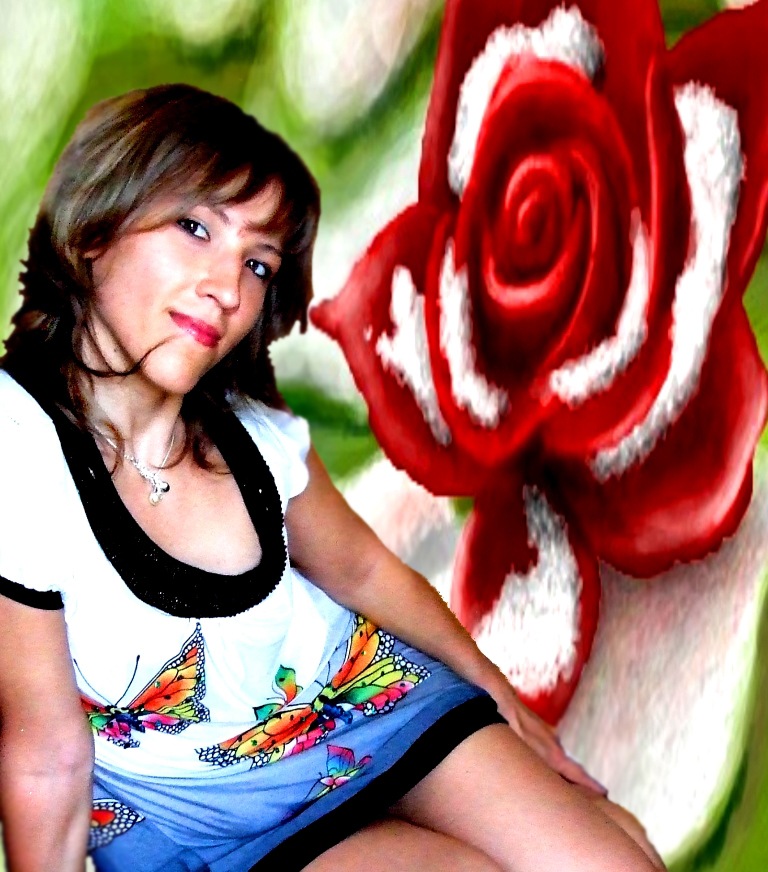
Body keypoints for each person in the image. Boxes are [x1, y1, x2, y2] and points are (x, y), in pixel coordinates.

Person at [0, 83, 665, 872]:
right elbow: (48, 753)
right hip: (199, 822)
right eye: (195, 228)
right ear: (95, 227)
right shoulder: (17, 445)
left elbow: (363, 570)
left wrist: (505, 704)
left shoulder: (255, 433)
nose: (228, 290)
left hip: (361, 709)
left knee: (618, 863)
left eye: (257, 263)